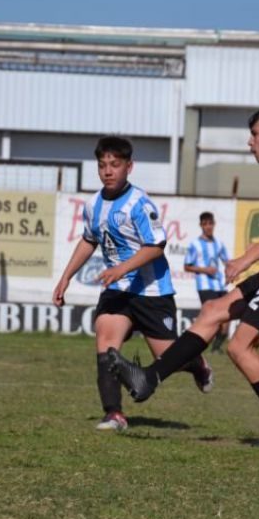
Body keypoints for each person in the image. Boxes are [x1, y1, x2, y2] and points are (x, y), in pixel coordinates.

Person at [109, 104, 259, 450]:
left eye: (256, 134)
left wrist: (247, 258)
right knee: (214, 310)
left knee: (239, 347)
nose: (250, 142)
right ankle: (149, 378)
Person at [52, 136, 213, 432]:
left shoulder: (140, 203)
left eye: (115, 165)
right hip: (118, 291)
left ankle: (197, 365)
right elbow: (89, 240)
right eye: (102, 165)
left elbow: (156, 246)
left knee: (168, 359)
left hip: (152, 291)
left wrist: (121, 268)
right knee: (105, 343)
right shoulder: (93, 205)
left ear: (129, 167)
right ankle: (114, 413)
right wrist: (66, 277)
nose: (108, 171)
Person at [184, 211, 230, 353]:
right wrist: (205, 270)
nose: (208, 227)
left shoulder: (219, 244)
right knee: (212, 319)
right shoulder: (195, 245)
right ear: (201, 226)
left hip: (219, 285)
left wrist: (232, 272)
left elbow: (227, 262)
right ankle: (193, 345)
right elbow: (187, 266)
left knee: (227, 318)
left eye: (210, 223)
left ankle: (216, 348)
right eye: (205, 224)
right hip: (205, 286)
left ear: (214, 224)